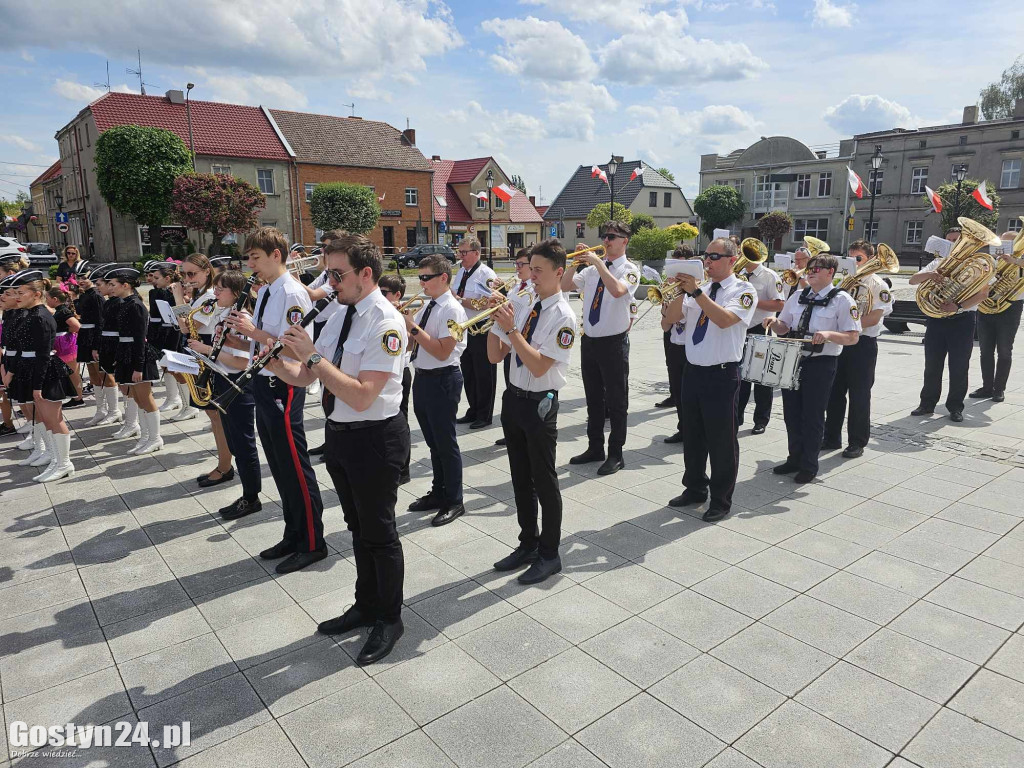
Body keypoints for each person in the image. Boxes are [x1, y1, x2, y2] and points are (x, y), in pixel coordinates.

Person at [267, 232, 409, 666]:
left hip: (375, 436)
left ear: (366, 274)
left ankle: (389, 618)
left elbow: (363, 395)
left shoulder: (385, 322)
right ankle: (365, 604)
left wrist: (310, 357)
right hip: (341, 435)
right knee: (356, 526)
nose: (329, 283)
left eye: (337, 274)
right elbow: (308, 378)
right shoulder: (340, 314)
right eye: (327, 273)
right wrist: (269, 356)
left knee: (380, 533)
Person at [225, 227, 325, 574]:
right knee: (280, 465)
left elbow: (295, 346)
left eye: (254, 257)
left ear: (275, 255)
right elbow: (264, 339)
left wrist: (252, 332)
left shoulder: (293, 292)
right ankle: (293, 533)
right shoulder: (268, 290)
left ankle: (313, 541)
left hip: (285, 383)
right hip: (265, 381)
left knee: (295, 465)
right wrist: (244, 336)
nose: (249, 264)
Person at [488, 239, 577, 583]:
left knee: (544, 479)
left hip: (540, 403)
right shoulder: (524, 305)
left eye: (538, 270)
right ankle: (527, 542)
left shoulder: (563, 316)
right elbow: (495, 357)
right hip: (513, 399)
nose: (531, 276)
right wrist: (496, 321)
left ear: (558, 272)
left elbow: (539, 367)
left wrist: (510, 328)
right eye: (529, 268)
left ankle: (550, 553)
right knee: (520, 478)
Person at [666, 238, 757, 521]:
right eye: (706, 255)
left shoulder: (744, 290)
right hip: (693, 371)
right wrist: (679, 292)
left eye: (715, 256)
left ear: (732, 260)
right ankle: (694, 488)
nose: (708, 261)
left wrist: (695, 294)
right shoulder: (699, 289)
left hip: (721, 373)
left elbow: (725, 320)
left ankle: (721, 499)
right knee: (692, 437)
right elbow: (667, 321)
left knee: (722, 440)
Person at [767, 253, 861, 483]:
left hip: (821, 363)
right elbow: (784, 327)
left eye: (817, 268)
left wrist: (829, 335)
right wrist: (773, 322)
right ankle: (794, 458)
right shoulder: (798, 295)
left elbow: (853, 337)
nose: (810, 271)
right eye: (810, 267)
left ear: (831, 272)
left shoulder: (843, 300)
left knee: (813, 415)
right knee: (791, 412)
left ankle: (809, 464)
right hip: (793, 359)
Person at [560, 220, 640, 475]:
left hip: (614, 342)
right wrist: (575, 264)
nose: (606, 241)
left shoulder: (629, 269)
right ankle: (595, 447)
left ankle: (616, 453)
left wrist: (596, 262)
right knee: (593, 398)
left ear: (625, 241)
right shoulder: (595, 268)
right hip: (590, 340)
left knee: (616, 400)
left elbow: (617, 291)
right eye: (604, 236)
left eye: (612, 237)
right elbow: (564, 286)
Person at [187, 270, 263, 515]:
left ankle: (251, 497)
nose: (215, 292)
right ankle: (245, 490)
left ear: (238, 293)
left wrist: (209, 350)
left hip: (238, 385)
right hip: (224, 381)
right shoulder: (227, 314)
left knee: (243, 443)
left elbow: (244, 363)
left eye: (221, 289)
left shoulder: (243, 319)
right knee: (234, 441)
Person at [403, 255, 468, 526]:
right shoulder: (427, 306)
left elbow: (443, 352)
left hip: (443, 378)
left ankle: (454, 500)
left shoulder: (452, 310)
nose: (421, 282)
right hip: (424, 376)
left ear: (443, 278)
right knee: (433, 442)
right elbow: (412, 344)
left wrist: (413, 328)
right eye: (420, 277)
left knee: (445, 442)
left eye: (426, 277)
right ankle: (439, 491)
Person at [3, 270, 77, 481]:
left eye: (21, 292)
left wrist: (37, 385)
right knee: (46, 419)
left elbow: (44, 354)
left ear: (36, 294)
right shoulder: (32, 315)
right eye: (15, 292)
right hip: (34, 368)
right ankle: (55, 459)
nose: (17, 296)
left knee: (54, 420)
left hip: (45, 371)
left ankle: (64, 463)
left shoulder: (42, 317)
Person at [824, 241, 894, 458]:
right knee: (833, 393)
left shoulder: (877, 284)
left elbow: (874, 318)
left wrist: (848, 325)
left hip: (862, 345)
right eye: (849, 258)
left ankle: (857, 441)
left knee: (859, 394)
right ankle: (831, 437)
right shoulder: (842, 282)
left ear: (870, 259)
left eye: (858, 259)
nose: (853, 263)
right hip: (840, 342)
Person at [909, 240, 990, 422]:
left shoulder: (979, 266)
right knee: (932, 365)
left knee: (959, 366)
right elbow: (913, 280)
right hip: (936, 320)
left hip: (962, 321)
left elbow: (983, 294)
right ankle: (927, 403)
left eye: (957, 241)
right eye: (951, 241)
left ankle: (955, 407)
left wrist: (958, 306)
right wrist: (930, 274)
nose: (955, 245)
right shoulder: (938, 263)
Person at [108, 266, 164, 454]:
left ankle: (155, 438)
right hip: (126, 352)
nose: (111, 287)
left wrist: (138, 366)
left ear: (126, 285)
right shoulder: (124, 303)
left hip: (138, 355)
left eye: (113, 284)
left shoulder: (136, 306)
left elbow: (140, 338)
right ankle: (146, 436)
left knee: (145, 398)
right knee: (139, 399)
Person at [305, 232, 345, 457]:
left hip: (332, 326)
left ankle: (335, 443)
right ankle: (330, 439)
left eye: (328, 248)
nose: (323, 252)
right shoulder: (325, 273)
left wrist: (281, 272)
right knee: (323, 390)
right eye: (323, 247)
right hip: (321, 326)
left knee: (330, 388)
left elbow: (311, 295)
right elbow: (307, 290)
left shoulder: (337, 276)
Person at [971, 232, 1024, 403]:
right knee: (985, 350)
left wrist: (1014, 261)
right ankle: (987, 387)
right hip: (986, 307)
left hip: (1010, 307)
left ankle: (999, 389)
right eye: (1002, 242)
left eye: (1009, 243)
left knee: (1004, 350)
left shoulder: (1020, 262)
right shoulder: (991, 260)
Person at [736, 251, 785, 434]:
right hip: (738, 328)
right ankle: (736, 417)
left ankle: (761, 420)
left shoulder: (769, 276)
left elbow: (780, 304)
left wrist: (752, 302)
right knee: (739, 377)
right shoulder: (736, 274)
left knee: (761, 378)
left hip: (759, 328)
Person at [451, 238, 498, 428]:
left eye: (464, 252)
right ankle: (473, 409)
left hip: (481, 329)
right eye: (459, 252)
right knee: (468, 373)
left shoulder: (487, 274)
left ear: (476, 253)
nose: (460, 256)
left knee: (484, 374)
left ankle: (484, 414)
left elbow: (489, 304)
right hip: (464, 328)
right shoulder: (461, 271)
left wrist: (460, 300)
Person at [170, 254, 217, 423]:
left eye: (192, 274)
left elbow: (186, 328)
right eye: (184, 274)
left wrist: (177, 298)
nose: (187, 279)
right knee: (209, 411)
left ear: (206, 272)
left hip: (205, 346)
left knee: (213, 410)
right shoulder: (200, 295)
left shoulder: (210, 296)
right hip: (197, 346)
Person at [496, 248, 535, 447]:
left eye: (522, 264)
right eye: (516, 264)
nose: (517, 268)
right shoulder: (515, 288)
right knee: (511, 389)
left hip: (525, 347)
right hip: (510, 347)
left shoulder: (534, 292)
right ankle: (511, 430)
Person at [378, 272, 413, 484]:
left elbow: (409, 346)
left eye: (384, 293)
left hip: (402, 371)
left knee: (401, 420)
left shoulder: (403, 314)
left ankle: (404, 469)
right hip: (386, 370)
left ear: (397, 295)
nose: (380, 296)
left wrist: (407, 323)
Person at [660, 245, 693, 443]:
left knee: (690, 394)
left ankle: (693, 430)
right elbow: (665, 326)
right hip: (675, 344)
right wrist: (666, 309)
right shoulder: (672, 293)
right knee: (678, 391)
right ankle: (683, 428)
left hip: (691, 348)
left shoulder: (696, 294)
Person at [93, 265, 125, 428]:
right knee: (104, 374)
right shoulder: (109, 302)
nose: (97, 288)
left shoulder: (119, 302)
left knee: (120, 382)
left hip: (116, 344)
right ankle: (111, 411)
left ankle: (118, 413)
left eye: (100, 285)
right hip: (106, 342)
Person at [46, 284, 85, 408]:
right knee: (71, 371)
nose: (46, 301)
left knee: (73, 372)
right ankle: (76, 396)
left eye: (47, 298)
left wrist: (67, 331)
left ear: (55, 299)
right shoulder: (60, 310)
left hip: (65, 343)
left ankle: (78, 398)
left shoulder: (63, 311)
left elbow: (77, 326)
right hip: (62, 342)